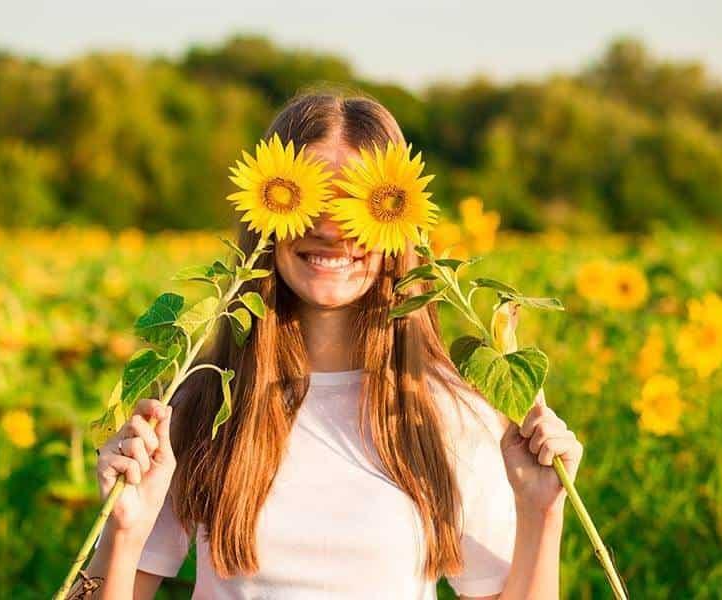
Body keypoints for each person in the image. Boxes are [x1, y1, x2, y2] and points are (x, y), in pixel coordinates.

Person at [77, 90, 583, 599]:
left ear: (399, 221)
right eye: (309, 198)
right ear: (265, 213)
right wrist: (121, 532)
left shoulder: (448, 413)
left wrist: (542, 511)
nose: (331, 229)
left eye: (358, 204)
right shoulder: (204, 402)